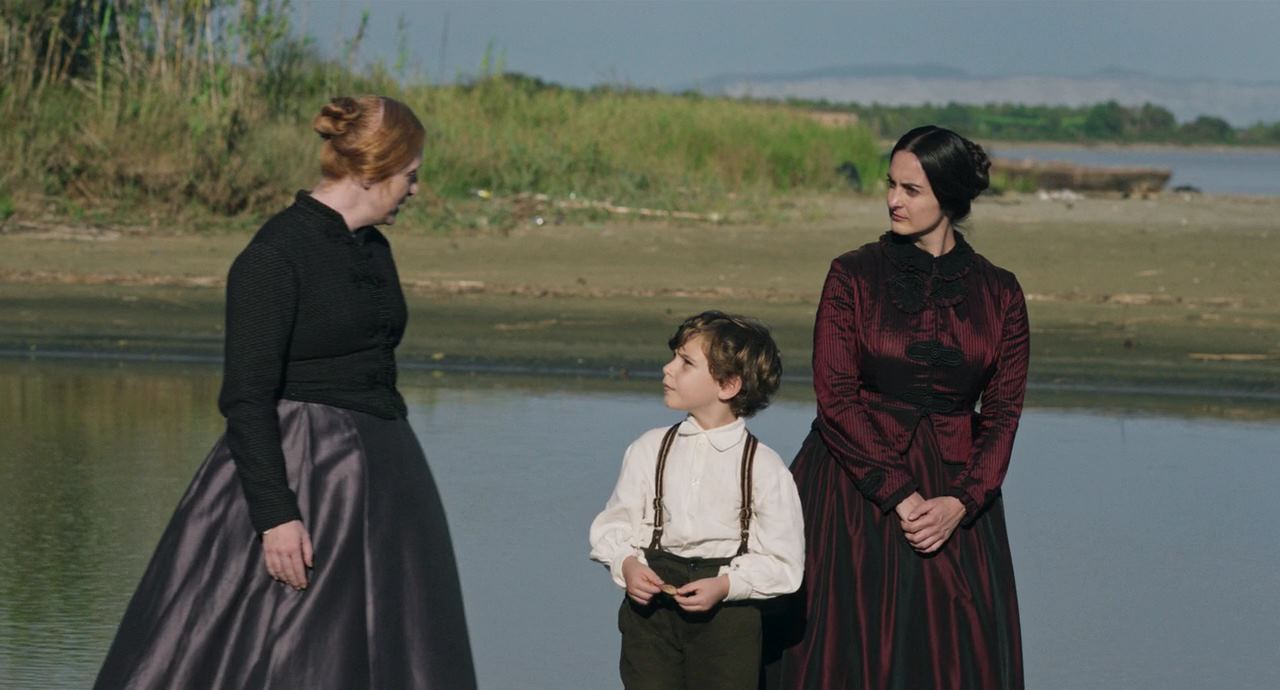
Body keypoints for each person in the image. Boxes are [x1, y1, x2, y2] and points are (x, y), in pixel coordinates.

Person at [95, 96, 477, 689]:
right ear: (373, 171)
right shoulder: (274, 256)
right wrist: (276, 516)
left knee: (397, 644)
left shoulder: (374, 247)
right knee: (296, 644)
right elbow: (245, 397)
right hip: (305, 467)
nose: (415, 189)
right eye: (410, 175)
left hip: (389, 471)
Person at [769, 125, 1029, 689]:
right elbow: (835, 396)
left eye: (911, 189)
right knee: (841, 654)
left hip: (956, 499)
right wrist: (899, 493)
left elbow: (1003, 414)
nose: (893, 200)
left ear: (949, 197)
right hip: (850, 490)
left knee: (958, 657)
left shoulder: (1001, 293)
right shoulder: (852, 274)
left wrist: (962, 502)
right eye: (891, 184)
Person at [590, 311, 805, 690]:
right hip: (650, 615)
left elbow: (784, 563)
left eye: (686, 362)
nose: (668, 368)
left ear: (728, 385)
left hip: (727, 620)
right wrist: (627, 564)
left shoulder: (764, 467)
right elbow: (614, 525)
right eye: (674, 357)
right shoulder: (649, 449)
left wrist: (726, 585)